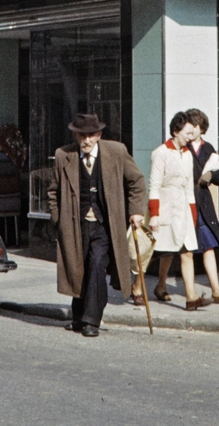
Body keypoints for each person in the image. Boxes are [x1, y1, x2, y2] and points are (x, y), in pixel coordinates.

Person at [45, 114, 147, 338]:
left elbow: (137, 181)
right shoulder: (64, 155)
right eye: (82, 135)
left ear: (99, 135)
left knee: (97, 264)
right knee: (78, 267)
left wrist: (137, 211)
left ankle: (92, 320)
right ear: (75, 135)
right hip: (74, 224)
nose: (87, 140)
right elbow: (53, 192)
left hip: (104, 224)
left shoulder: (116, 152)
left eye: (91, 135)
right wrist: (58, 220)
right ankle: (78, 317)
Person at [149, 113, 210, 311]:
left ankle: (191, 297)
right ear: (175, 131)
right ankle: (143, 286)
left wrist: (192, 215)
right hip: (165, 209)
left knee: (186, 252)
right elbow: (154, 186)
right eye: (187, 133)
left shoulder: (187, 154)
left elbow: (188, 187)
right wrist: (155, 214)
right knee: (161, 252)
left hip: (182, 209)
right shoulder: (160, 153)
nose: (190, 138)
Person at [186, 108, 219, 304]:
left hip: (203, 205)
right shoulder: (182, 146)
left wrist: (211, 176)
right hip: (186, 202)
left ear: (201, 128)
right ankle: (160, 284)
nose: (190, 130)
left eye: (194, 126)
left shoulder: (209, 149)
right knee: (175, 250)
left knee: (208, 246)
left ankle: (216, 290)